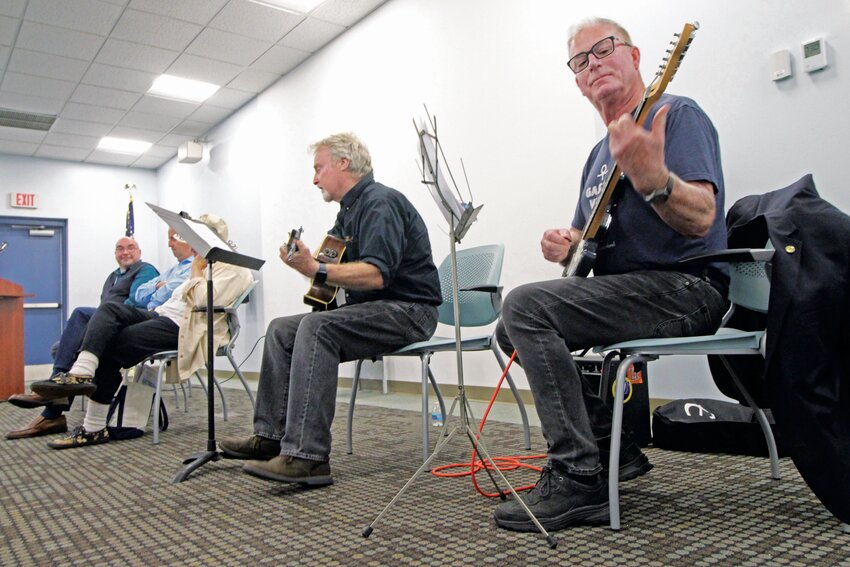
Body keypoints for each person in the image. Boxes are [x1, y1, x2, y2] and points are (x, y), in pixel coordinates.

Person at [492, 17, 728, 532]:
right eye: (580, 60)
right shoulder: (597, 157)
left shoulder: (675, 114)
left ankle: (578, 478)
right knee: (508, 326)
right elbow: (587, 248)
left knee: (524, 306)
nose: (592, 63)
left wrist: (655, 179)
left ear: (637, 56)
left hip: (687, 287)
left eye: (603, 49)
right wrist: (568, 245)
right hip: (630, 290)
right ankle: (611, 449)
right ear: (578, 82)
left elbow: (702, 217)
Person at [219, 132, 442, 487]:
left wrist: (315, 268)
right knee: (281, 330)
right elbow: (330, 273)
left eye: (319, 168)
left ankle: (308, 457)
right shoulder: (348, 213)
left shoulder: (380, 203)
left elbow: (376, 274)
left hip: (410, 310)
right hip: (378, 310)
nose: (314, 178)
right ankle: (271, 438)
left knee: (317, 327)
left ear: (343, 163)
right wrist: (309, 264)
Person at [28, 214, 253, 449]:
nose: (189, 244)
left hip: (183, 326)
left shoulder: (234, 269)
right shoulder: (202, 265)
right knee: (108, 310)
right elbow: (158, 297)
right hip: (160, 314)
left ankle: (93, 427)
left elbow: (201, 301)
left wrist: (196, 271)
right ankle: (81, 372)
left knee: (109, 343)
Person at [5, 237, 159, 439]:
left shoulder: (145, 270)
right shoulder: (112, 276)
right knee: (61, 348)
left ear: (139, 251)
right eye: (120, 249)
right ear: (115, 254)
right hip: (109, 324)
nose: (125, 252)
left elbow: (136, 302)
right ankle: (53, 414)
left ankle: (54, 397)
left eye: (131, 248)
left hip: (131, 324)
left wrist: (101, 321)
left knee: (79, 315)